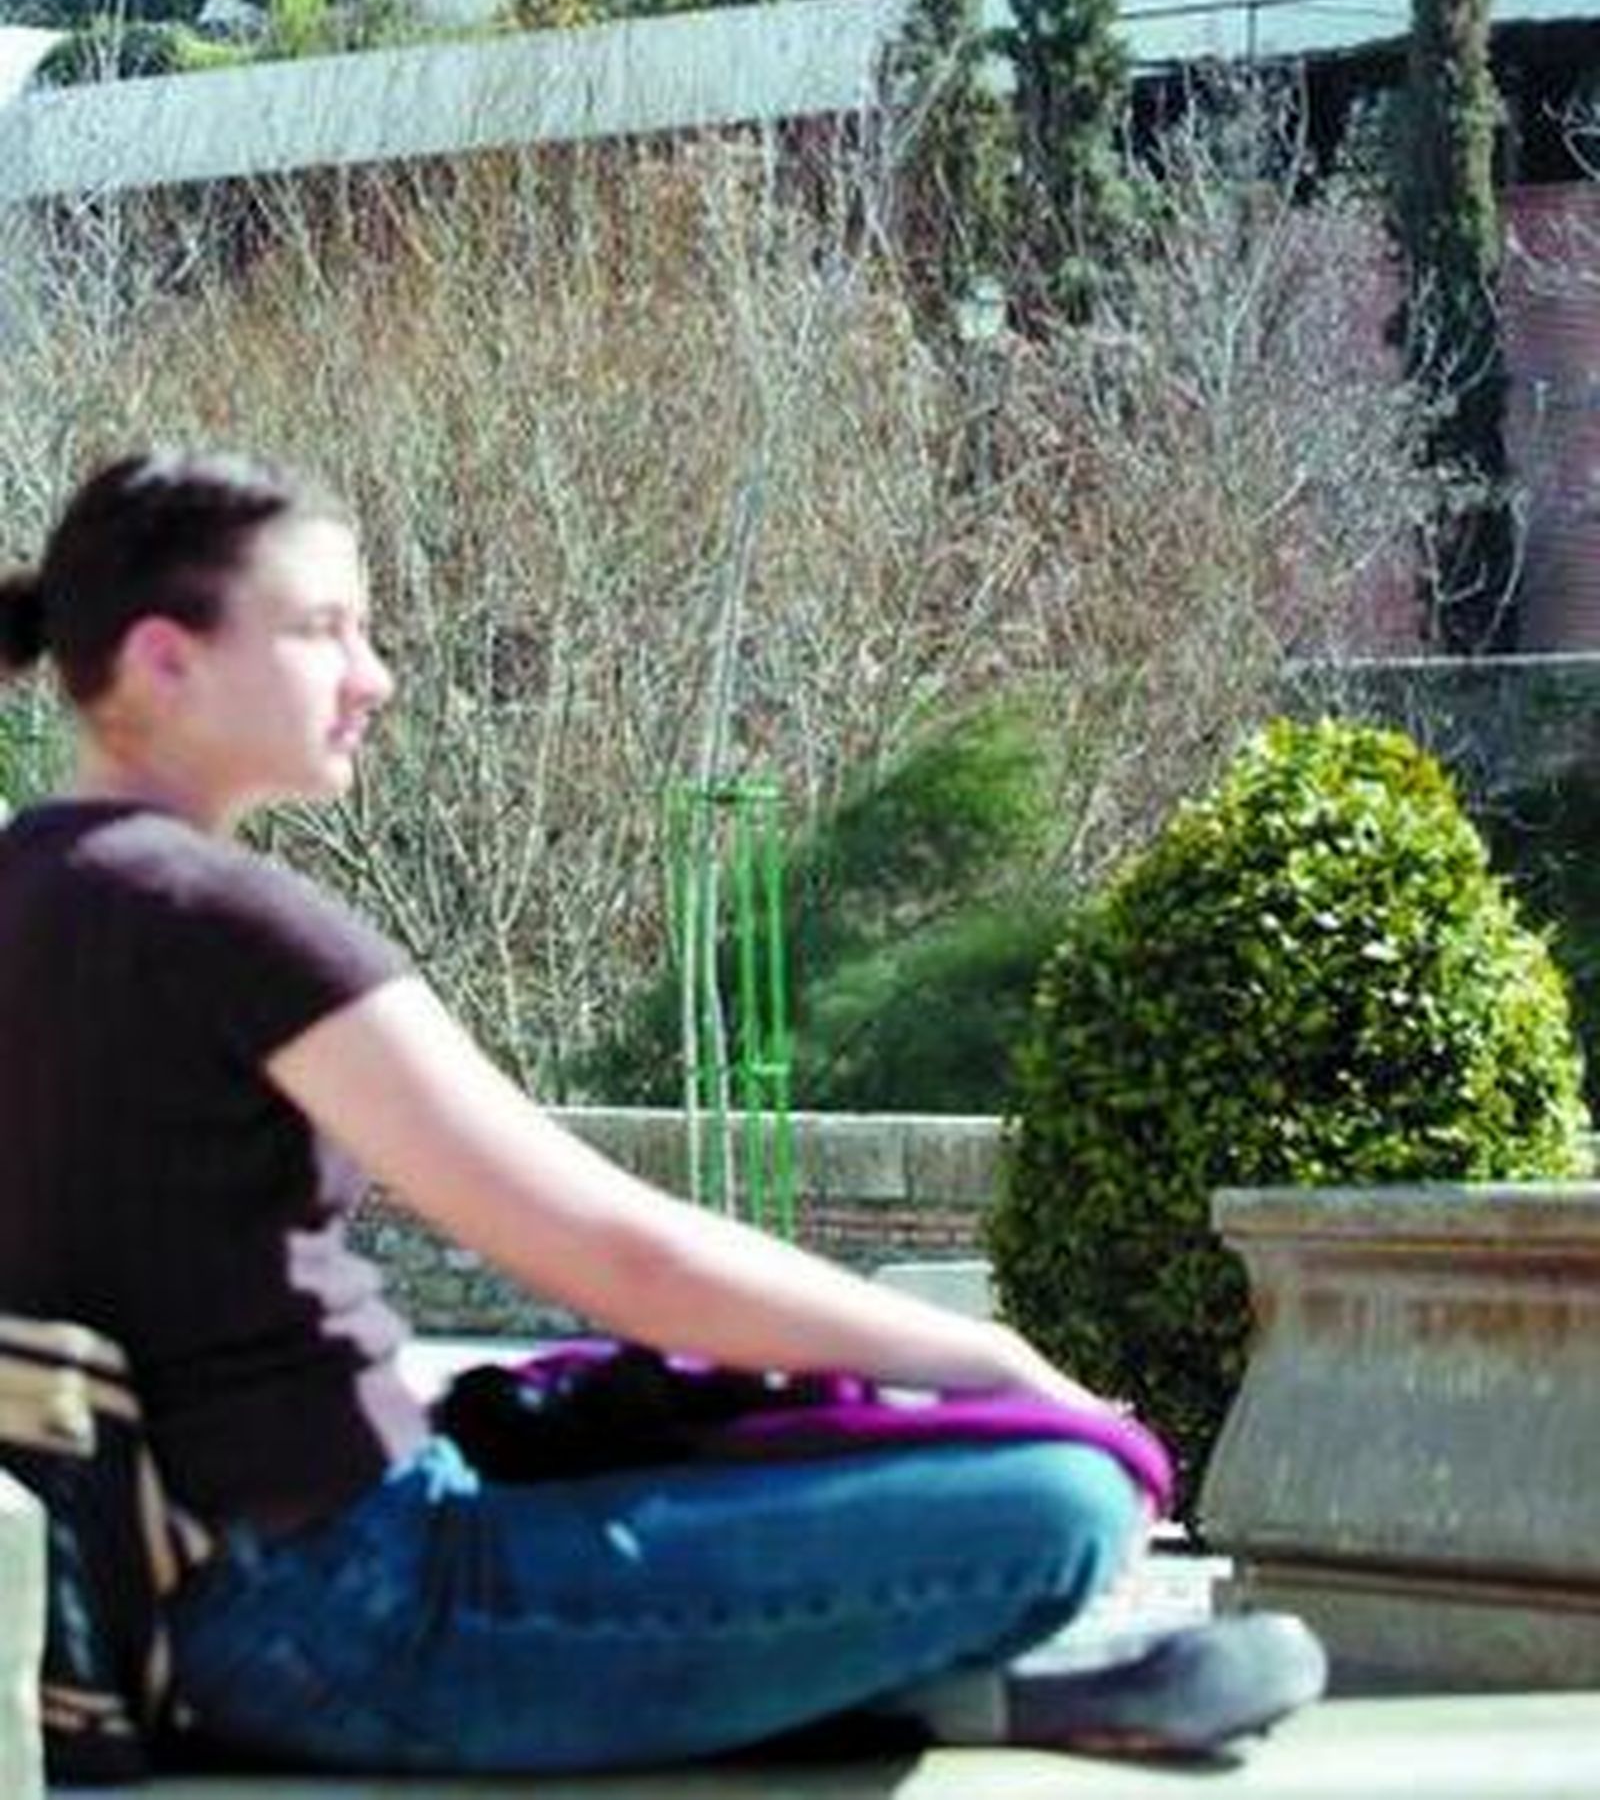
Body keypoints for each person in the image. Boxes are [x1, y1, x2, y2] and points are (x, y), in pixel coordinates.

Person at [0, 450, 1324, 1774]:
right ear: (166, 661)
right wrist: (999, 1370)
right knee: (1057, 1497)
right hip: (360, 1610)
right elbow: (624, 1257)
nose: (374, 675)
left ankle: (954, 1698)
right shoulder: (222, 923)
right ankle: (941, 1689)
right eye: (322, 631)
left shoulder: (34, 887)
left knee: (673, 1436)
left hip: (170, 1602)